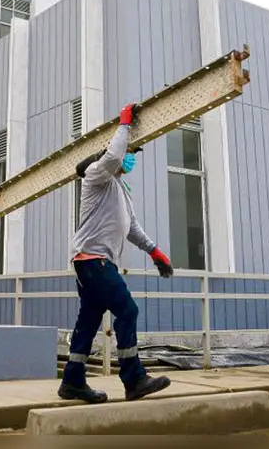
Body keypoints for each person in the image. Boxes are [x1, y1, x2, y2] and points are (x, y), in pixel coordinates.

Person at [57, 102, 175, 403]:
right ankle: (134, 379)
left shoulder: (119, 189)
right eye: (129, 154)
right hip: (92, 260)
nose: (130, 158)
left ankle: (72, 381)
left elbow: (131, 227)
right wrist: (124, 124)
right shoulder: (96, 174)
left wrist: (155, 252)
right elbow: (112, 157)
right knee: (127, 310)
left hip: (96, 262)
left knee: (88, 322)